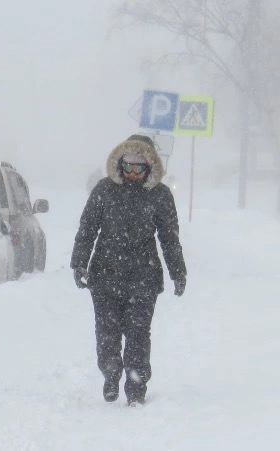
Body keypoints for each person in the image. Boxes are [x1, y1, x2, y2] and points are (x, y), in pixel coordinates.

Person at [70, 134, 186, 406]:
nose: (133, 173)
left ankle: (136, 386)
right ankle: (111, 374)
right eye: (128, 166)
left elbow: (169, 238)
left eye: (140, 168)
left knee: (137, 335)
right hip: (105, 276)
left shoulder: (159, 195)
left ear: (150, 167)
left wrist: (177, 272)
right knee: (107, 332)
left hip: (143, 280)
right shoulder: (103, 190)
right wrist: (79, 263)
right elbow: (87, 229)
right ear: (119, 164)